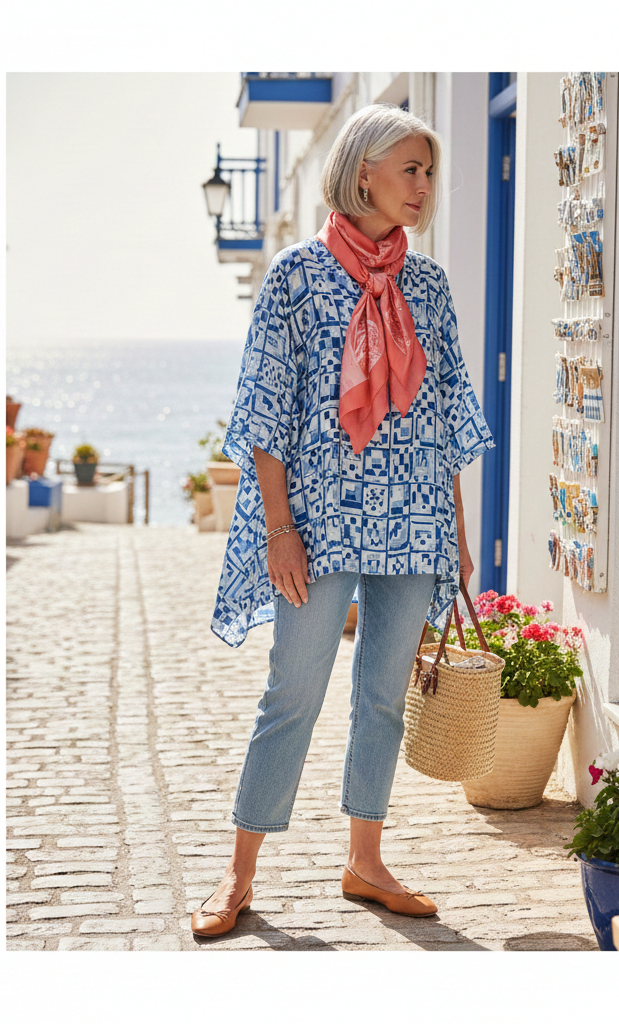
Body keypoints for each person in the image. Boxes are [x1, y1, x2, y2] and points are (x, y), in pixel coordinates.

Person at [192, 103, 495, 937]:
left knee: (384, 700)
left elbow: (443, 420)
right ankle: (239, 872)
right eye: (411, 170)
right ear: (363, 171)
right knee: (292, 693)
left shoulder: (426, 285)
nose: (424, 187)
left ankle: (365, 860)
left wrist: (457, 535)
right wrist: (278, 530)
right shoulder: (294, 276)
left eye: (429, 173)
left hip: (412, 522)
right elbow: (264, 415)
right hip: (317, 527)